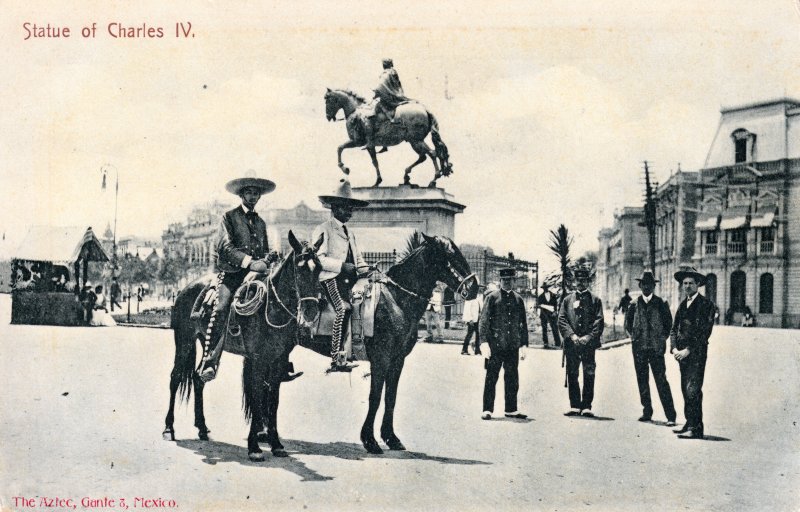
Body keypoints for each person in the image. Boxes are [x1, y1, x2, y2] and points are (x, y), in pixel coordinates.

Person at [197, 170, 283, 382]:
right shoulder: (229, 217)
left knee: (277, 303)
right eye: (249, 193)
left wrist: (268, 258)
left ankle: (279, 358)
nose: (253, 197)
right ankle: (210, 360)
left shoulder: (261, 223)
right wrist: (250, 262)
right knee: (221, 307)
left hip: (257, 276)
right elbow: (225, 248)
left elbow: (261, 250)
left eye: (256, 193)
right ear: (241, 195)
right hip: (233, 274)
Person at [312, 178, 370, 372]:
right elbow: (318, 259)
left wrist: (366, 269)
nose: (350, 212)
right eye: (346, 208)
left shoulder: (350, 233)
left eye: (351, 208)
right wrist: (342, 266)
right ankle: (335, 357)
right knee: (342, 309)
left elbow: (358, 259)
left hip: (349, 280)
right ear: (335, 208)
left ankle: (353, 350)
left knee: (362, 307)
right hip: (330, 279)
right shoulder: (323, 229)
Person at [624, 271, 676, 426]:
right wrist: (633, 338)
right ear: (640, 286)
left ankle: (670, 415)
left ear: (654, 286)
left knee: (661, 380)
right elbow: (627, 325)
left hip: (656, 349)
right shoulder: (633, 304)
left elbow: (668, 325)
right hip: (639, 348)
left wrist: (661, 339)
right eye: (644, 284)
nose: (646, 287)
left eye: (650, 284)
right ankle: (647, 411)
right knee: (642, 379)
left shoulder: (661, 303)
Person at [670, 266, 715, 439]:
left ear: (698, 285)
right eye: (685, 283)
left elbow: (705, 332)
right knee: (684, 388)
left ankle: (696, 428)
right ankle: (689, 423)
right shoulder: (683, 305)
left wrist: (688, 350)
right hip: (681, 355)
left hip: (696, 355)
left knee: (693, 390)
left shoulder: (706, 305)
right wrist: (674, 348)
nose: (687, 286)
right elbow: (674, 329)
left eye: (691, 283)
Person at [479, 267, 529, 420]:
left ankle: (511, 409)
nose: (507, 283)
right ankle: (487, 409)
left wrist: (524, 344)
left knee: (512, 377)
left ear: (514, 281)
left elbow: (523, 323)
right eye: (504, 280)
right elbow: (484, 321)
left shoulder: (518, 299)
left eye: (510, 280)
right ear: (500, 281)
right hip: (495, 345)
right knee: (491, 377)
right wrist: (483, 342)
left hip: (512, 345)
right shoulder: (492, 298)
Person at [558, 267, 605, 417]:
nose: (580, 283)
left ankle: (586, 406)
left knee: (589, 373)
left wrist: (589, 337)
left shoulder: (595, 300)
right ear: (574, 281)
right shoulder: (567, 300)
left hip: (588, 344)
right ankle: (574, 405)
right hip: (572, 343)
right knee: (572, 373)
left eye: (583, 280)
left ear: (588, 282)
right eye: (578, 280)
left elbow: (599, 320)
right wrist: (571, 336)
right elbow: (562, 319)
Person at [461, 283, 484, 355]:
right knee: (469, 334)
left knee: (478, 334)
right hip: (471, 319)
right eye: (478, 288)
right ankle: (464, 349)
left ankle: (477, 350)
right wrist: (470, 319)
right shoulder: (469, 298)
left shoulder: (479, 297)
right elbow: (467, 310)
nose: (479, 290)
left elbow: (481, 308)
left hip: (477, 318)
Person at [537, 283, 560, 349]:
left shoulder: (553, 295)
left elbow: (555, 304)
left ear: (548, 288)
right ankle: (545, 343)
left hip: (552, 314)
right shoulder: (540, 296)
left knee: (554, 328)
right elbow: (539, 305)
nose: (545, 289)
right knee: (544, 329)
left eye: (546, 287)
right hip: (544, 314)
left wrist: (555, 312)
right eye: (544, 288)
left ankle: (557, 343)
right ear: (543, 289)